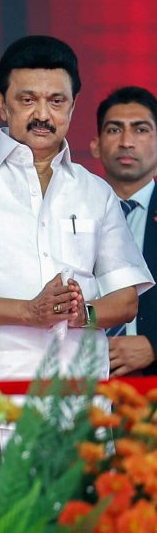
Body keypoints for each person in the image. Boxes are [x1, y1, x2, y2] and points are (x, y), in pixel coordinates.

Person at [0, 36, 152, 384]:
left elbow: (126, 299)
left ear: (72, 106)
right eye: (28, 100)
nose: (42, 114)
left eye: (56, 101)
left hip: (81, 404)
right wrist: (28, 312)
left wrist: (79, 314)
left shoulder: (96, 192)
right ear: (1, 102)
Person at [91, 86, 157, 376]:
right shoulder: (69, 211)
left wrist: (155, 345)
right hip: (79, 383)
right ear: (95, 144)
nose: (127, 142)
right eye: (115, 130)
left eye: (140, 130)